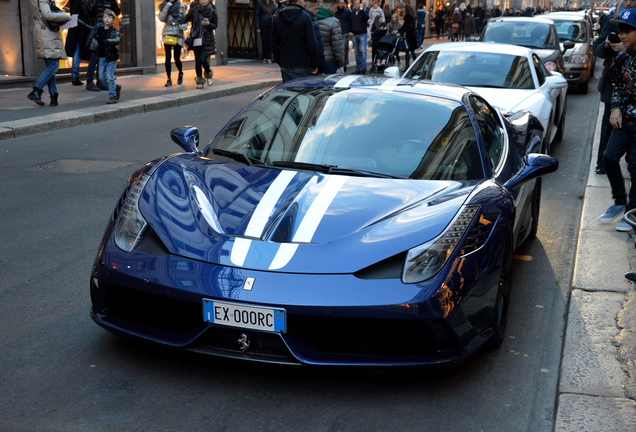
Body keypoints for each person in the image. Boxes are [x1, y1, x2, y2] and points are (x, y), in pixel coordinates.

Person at [598, 7, 636, 231]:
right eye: (621, 30)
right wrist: (616, 107)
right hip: (625, 120)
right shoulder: (623, 58)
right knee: (609, 158)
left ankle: (631, 212)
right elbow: (618, 85)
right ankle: (620, 202)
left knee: (634, 167)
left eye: (627, 31)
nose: (622, 35)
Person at [594, 0, 633, 175]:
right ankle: (603, 162)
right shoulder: (611, 21)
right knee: (609, 125)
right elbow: (597, 50)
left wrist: (627, 48)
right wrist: (607, 45)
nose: (630, 3)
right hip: (613, 84)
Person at [27, 0, 72, 107]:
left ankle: (53, 96)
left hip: (42, 31)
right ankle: (36, 90)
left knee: (50, 66)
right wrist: (66, 17)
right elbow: (47, 15)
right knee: (53, 66)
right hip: (46, 32)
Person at [271, 0, 318, 82]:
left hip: (286, 63)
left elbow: (274, 44)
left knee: (289, 92)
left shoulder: (278, 19)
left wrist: (281, 61)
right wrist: (314, 64)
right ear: (299, 1)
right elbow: (311, 43)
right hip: (302, 63)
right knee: (303, 92)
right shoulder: (305, 18)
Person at [83, 0, 120, 92]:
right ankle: (89, 82)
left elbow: (117, 12)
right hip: (97, 31)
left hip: (107, 32)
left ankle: (101, 83)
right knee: (94, 58)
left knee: (102, 58)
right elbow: (87, 9)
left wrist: (114, 2)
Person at [181, 0, 217, 89]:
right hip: (196, 37)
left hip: (206, 39)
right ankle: (199, 81)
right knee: (197, 61)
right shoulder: (194, 9)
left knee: (203, 59)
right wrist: (182, 24)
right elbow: (186, 18)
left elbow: (215, 25)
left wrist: (208, 24)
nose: (204, 1)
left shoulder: (212, 11)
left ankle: (208, 73)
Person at [158, 0, 187, 87]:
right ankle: (168, 79)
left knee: (176, 58)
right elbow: (161, 18)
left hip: (178, 33)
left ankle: (180, 73)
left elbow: (185, 20)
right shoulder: (164, 5)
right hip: (168, 33)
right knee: (168, 57)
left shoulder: (181, 7)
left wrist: (184, 26)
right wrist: (167, 6)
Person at [64, 0, 91, 87]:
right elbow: (89, 8)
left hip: (75, 19)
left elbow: (72, 7)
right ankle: (75, 76)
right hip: (83, 20)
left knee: (76, 47)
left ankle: (75, 75)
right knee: (79, 48)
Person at [316, 2, 345, 74]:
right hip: (329, 61)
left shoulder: (313, 18)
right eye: (335, 8)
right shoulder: (334, 22)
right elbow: (337, 47)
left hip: (315, 60)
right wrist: (341, 64)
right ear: (329, 7)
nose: (336, 10)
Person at [351, 0, 369, 74]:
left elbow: (367, 18)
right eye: (355, 4)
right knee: (357, 53)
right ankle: (358, 68)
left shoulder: (363, 12)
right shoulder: (352, 14)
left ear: (360, 5)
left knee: (363, 51)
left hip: (362, 34)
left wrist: (361, 10)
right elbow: (350, 23)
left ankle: (363, 67)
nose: (356, 5)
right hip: (355, 34)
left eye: (358, 4)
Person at [334, 0, 353, 71]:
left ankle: (344, 65)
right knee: (337, 49)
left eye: (342, 3)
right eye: (340, 3)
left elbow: (350, 22)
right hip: (337, 32)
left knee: (343, 50)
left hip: (344, 32)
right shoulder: (336, 11)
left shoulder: (347, 12)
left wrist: (349, 31)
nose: (341, 5)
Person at [398, 4, 417, 68]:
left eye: (404, 9)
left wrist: (402, 31)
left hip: (412, 36)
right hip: (407, 36)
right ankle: (407, 66)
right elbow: (404, 26)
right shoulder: (407, 17)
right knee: (407, 52)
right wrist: (399, 31)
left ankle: (416, 64)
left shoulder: (412, 17)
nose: (403, 10)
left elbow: (409, 27)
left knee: (412, 51)